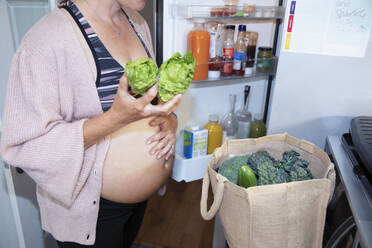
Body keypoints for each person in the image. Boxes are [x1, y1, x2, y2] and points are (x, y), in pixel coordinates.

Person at [0, 0, 182, 247]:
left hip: (137, 205)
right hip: (92, 212)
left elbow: (148, 100)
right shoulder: (44, 40)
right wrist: (113, 119)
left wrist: (170, 119)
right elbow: (25, 145)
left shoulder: (137, 24)